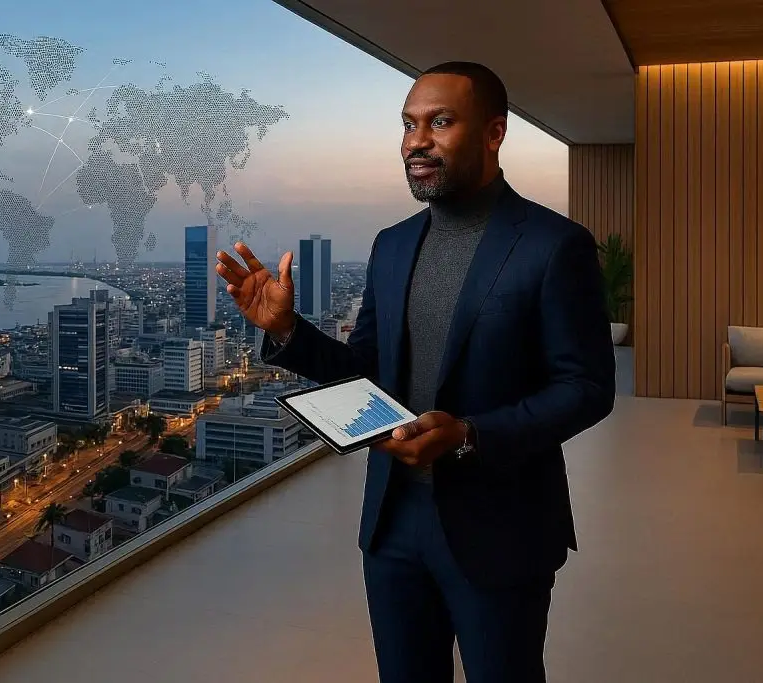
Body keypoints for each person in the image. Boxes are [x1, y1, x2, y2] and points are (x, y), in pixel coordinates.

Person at [215, 61, 616, 683]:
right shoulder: (392, 243)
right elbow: (365, 372)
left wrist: (470, 434)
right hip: (393, 522)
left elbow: (587, 389)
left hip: (500, 526)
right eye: (407, 124)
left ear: (494, 133)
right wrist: (286, 332)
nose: (416, 141)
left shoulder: (553, 244)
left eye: (440, 122)